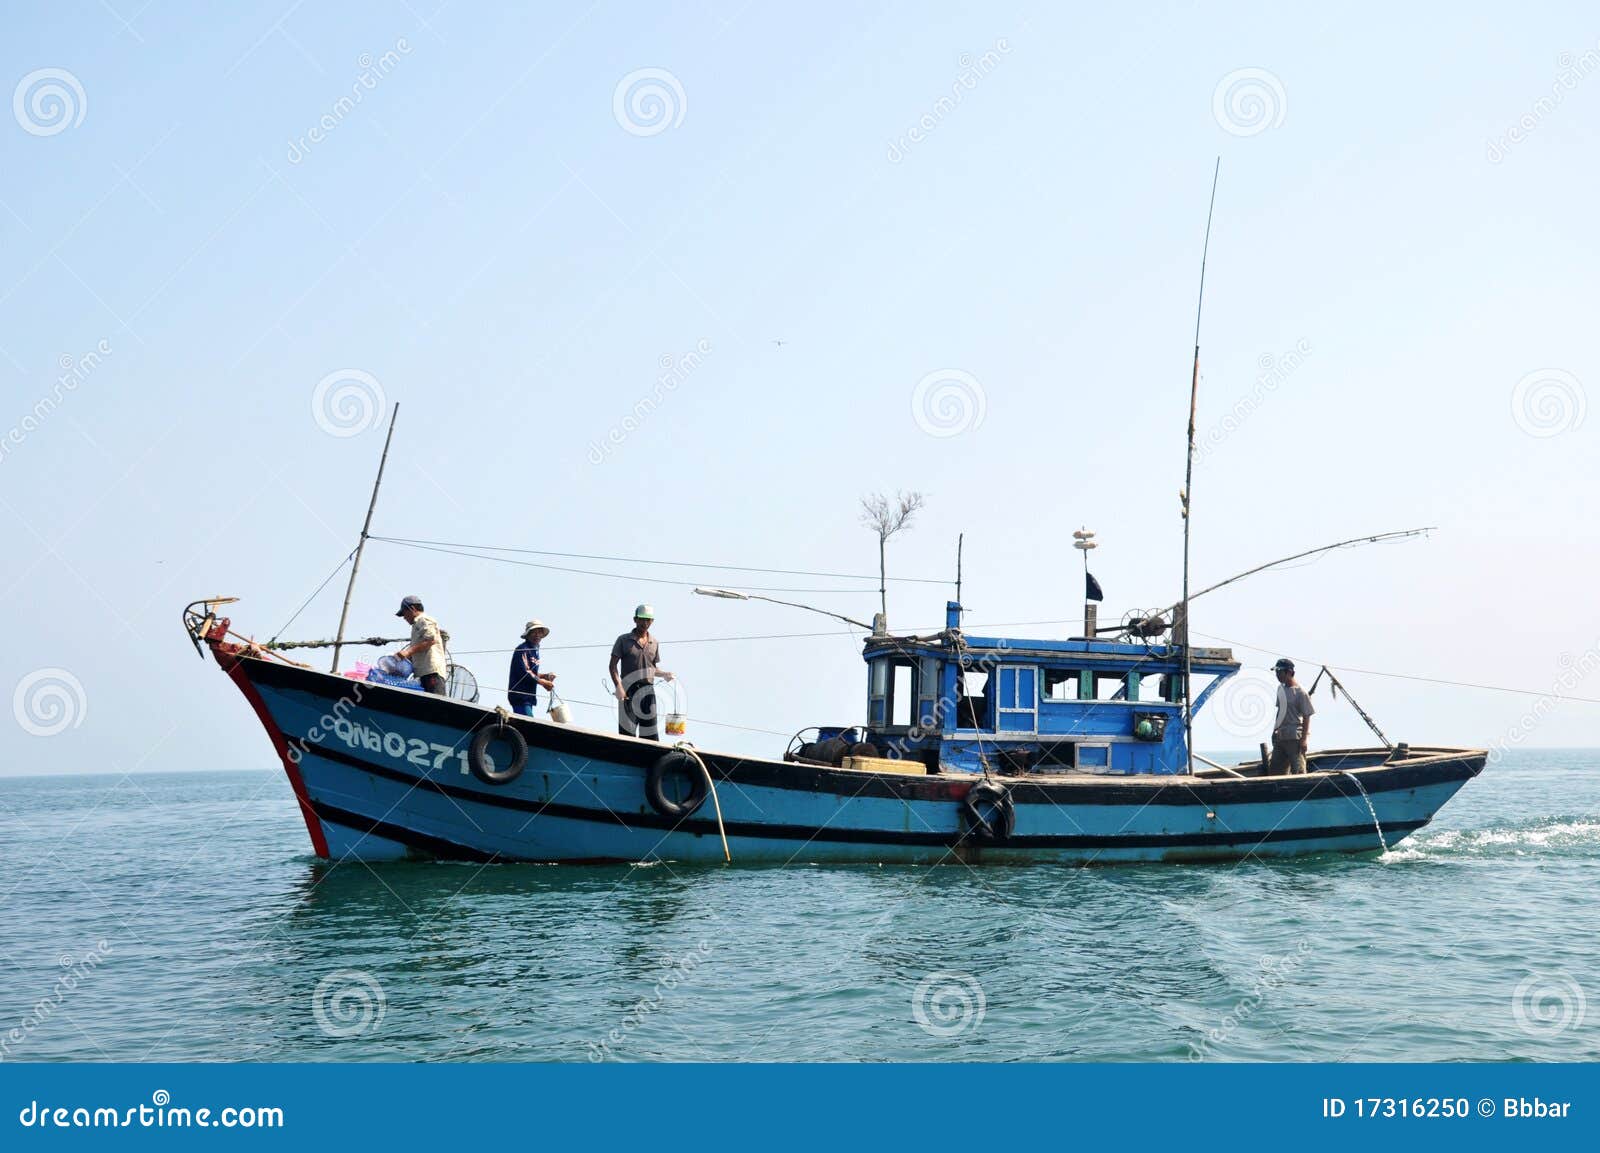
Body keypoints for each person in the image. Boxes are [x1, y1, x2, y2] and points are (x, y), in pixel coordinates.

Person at [608, 603, 674, 740]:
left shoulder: (654, 642)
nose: (645, 623)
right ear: (635, 619)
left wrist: (664, 674)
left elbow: (652, 668)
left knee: (650, 732)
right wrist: (618, 687)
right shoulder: (623, 640)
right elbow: (612, 666)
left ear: (652, 621)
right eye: (642, 619)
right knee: (628, 733)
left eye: (648, 620)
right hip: (628, 690)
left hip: (648, 691)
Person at [393, 595, 449, 695]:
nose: (404, 618)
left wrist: (408, 652)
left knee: (435, 705)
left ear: (412, 609)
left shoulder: (423, 619)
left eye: (404, 613)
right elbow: (419, 649)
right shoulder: (416, 625)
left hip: (431, 672)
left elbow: (431, 640)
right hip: (422, 674)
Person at [1268, 657, 1315, 775]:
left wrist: (1304, 740)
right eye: (1276, 672)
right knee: (1275, 770)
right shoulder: (1280, 689)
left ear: (1289, 672)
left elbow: (1307, 716)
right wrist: (1275, 730)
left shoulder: (1301, 692)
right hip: (1281, 736)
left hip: (1295, 738)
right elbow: (1280, 711)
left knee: (1298, 770)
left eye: (1280, 672)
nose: (1277, 675)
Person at [507, 619, 556, 717]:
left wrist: (545, 676)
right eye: (534, 632)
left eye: (540, 632)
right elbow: (525, 672)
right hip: (520, 696)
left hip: (528, 696)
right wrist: (543, 682)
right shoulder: (523, 649)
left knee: (528, 722)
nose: (537, 635)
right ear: (528, 634)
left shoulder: (534, 651)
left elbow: (532, 672)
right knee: (528, 723)